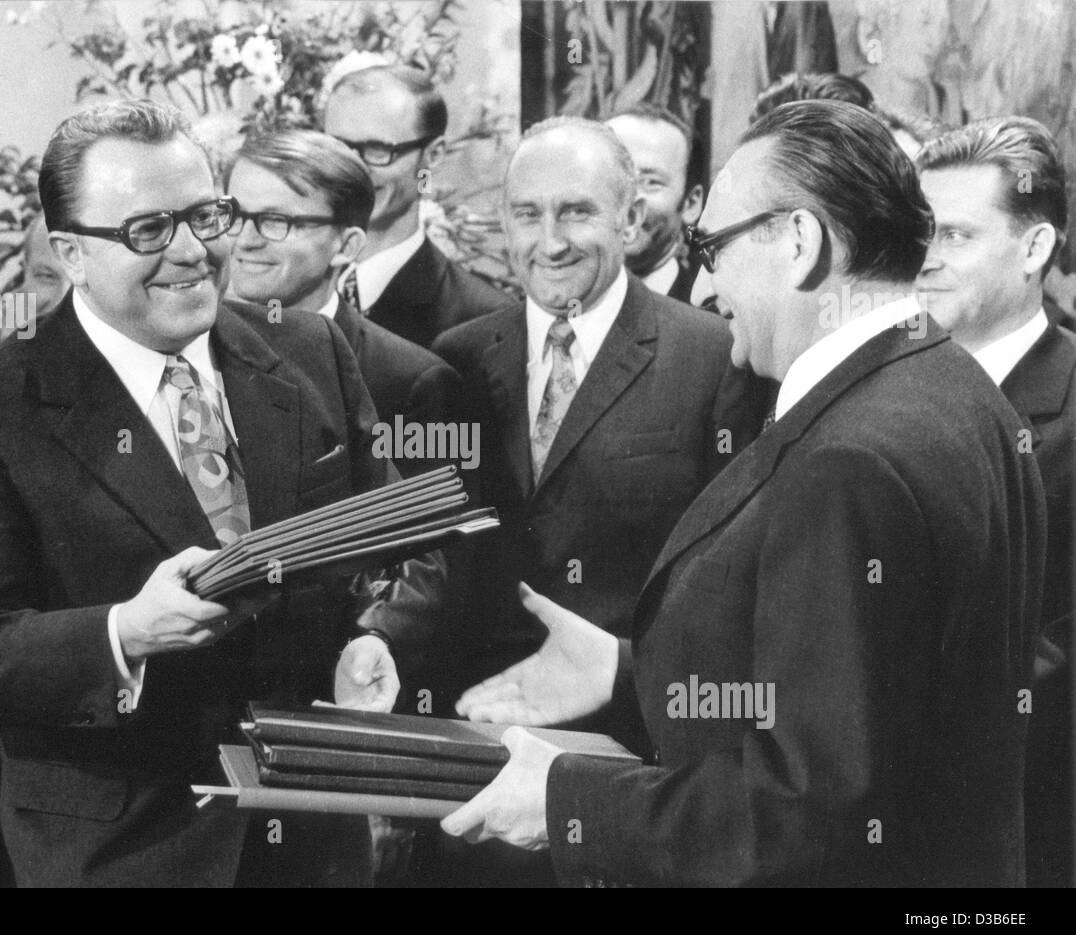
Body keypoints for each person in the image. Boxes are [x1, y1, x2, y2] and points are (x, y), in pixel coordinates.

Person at [443, 101, 1046, 887]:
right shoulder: (957, 390)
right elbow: (865, 703)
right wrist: (625, 674)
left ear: (799, 243)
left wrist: (567, 796)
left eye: (712, 246)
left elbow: (807, 813)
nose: (707, 280)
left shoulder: (851, 457)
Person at [0, 99, 428, 888]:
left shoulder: (310, 351)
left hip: (314, 842)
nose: (192, 251)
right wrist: (124, 633)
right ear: (71, 253)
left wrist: (369, 639)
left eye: (205, 216)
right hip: (123, 854)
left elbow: (387, 547)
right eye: (148, 231)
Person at [431, 115, 764, 715]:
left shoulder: (714, 357)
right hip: (472, 715)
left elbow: (729, 579)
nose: (551, 242)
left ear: (630, 220)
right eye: (528, 214)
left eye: (577, 212)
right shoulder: (457, 358)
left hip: (624, 728)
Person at [916, 115, 1073, 887]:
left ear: (1035, 249)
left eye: (955, 236)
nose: (927, 261)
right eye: (920, 235)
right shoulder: (884, 384)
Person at [224, 128, 463, 476]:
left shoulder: (412, 384)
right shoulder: (191, 354)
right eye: (233, 216)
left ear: (346, 246)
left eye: (275, 221)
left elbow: (431, 523)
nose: (244, 240)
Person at [322, 64, 512, 348]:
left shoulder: (483, 319)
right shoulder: (289, 285)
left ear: (433, 156)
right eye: (337, 147)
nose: (354, 169)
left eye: (378, 150)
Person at [605, 105, 706, 303]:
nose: (627, 199)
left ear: (690, 204)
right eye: (609, 177)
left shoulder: (713, 319)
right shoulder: (561, 305)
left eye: (650, 182)